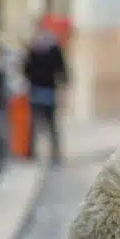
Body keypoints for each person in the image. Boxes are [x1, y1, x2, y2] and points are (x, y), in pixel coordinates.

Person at [23, 19, 70, 164]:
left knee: (37, 123)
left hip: (39, 89)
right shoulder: (51, 46)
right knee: (48, 124)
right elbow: (61, 69)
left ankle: (34, 153)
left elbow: (26, 68)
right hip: (46, 88)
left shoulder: (35, 46)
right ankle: (53, 154)